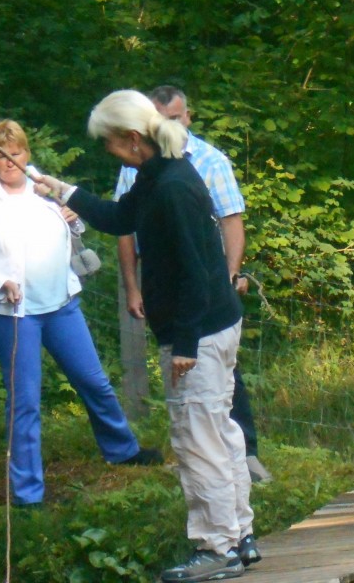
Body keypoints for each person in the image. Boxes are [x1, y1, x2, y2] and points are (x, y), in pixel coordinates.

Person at [33, 92, 258, 583]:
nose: (108, 151)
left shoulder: (173, 186)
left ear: (133, 139)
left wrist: (184, 346)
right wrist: (60, 189)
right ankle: (239, 536)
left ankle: (215, 547)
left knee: (197, 440)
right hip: (210, 325)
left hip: (199, 331)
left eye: (110, 143)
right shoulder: (159, 173)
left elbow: (199, 273)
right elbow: (120, 218)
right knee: (219, 431)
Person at [0, 120, 160, 508]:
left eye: (15, 153)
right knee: (25, 401)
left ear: (26, 154)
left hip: (61, 303)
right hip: (15, 314)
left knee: (94, 382)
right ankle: (28, 494)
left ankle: (123, 450)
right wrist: (0, 284)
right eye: (0, 155)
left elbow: (73, 229)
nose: (9, 162)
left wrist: (73, 219)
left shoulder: (43, 188)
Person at [114, 85, 271, 484]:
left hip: (204, 298)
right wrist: (133, 287)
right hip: (176, 295)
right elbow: (122, 225)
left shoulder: (197, 167)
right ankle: (236, 529)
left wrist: (230, 275)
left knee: (208, 420)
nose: (169, 125)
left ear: (188, 117)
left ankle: (225, 523)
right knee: (206, 418)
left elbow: (229, 223)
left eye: (175, 117)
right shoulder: (141, 168)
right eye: (160, 118)